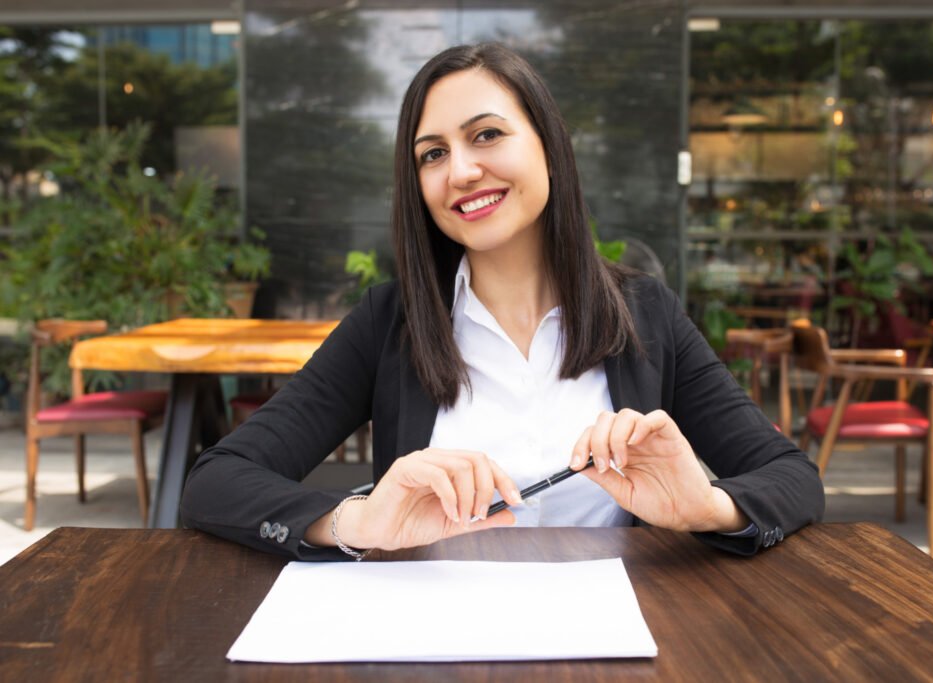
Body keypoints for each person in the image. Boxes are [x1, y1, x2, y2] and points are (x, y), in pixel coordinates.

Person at [180, 43, 824, 560]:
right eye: (433, 154)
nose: (459, 170)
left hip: (611, 645)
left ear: (548, 144)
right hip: (433, 652)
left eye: (486, 135)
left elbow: (792, 479)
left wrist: (706, 507)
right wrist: (357, 521)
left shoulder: (645, 314)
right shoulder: (390, 322)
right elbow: (216, 482)